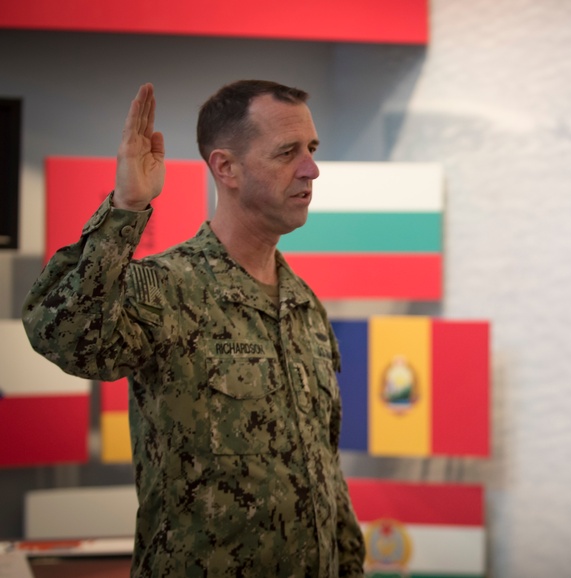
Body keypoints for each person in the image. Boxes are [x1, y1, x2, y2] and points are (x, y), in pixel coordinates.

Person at [22, 81, 366, 577]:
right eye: (288, 152)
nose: (311, 169)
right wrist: (126, 208)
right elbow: (63, 335)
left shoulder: (304, 305)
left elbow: (325, 472)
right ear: (226, 167)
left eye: (311, 149)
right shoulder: (166, 288)